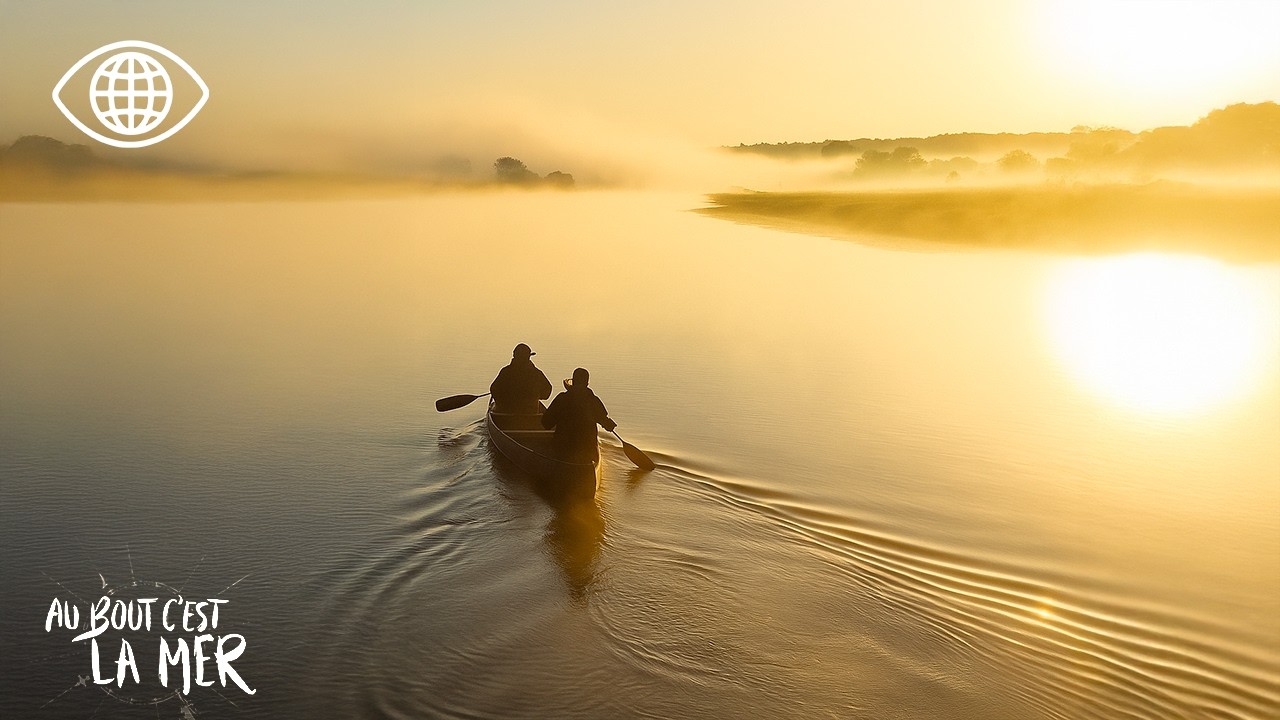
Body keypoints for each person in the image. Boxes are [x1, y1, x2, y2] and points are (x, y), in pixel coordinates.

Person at [541, 367, 616, 463]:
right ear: (587, 384)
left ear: (574, 382)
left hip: (564, 449)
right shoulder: (593, 400)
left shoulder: (562, 398)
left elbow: (546, 423)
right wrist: (608, 424)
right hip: (587, 450)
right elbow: (604, 420)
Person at [490, 343, 552, 414]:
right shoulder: (537, 373)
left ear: (514, 356)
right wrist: (535, 395)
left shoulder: (506, 371)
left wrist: (503, 399)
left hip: (507, 411)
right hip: (531, 411)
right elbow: (547, 393)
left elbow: (494, 389)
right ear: (528, 357)